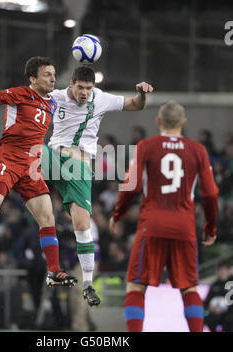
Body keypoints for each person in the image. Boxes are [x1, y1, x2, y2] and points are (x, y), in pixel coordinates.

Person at [41, 66, 153, 306]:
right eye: (80, 87)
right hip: (53, 156)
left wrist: (142, 94)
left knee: (81, 225)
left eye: (88, 88)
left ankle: (89, 285)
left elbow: (136, 104)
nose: (84, 93)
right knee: (24, 150)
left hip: (79, 165)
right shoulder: (56, 96)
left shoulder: (101, 99)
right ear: (71, 83)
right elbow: (26, 98)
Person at [0, 56, 76, 287]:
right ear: (33, 78)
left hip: (31, 166)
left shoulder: (52, 103)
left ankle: (54, 271)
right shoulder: (20, 93)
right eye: (47, 75)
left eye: (54, 74)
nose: (53, 78)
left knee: (47, 217)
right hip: (9, 157)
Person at [109, 101, 219, 332]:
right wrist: (210, 226)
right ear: (184, 123)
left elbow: (131, 186)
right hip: (185, 227)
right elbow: (210, 192)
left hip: (152, 225)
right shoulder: (198, 150)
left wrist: (118, 214)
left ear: (158, 121)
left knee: (136, 287)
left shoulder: (146, 146)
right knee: (189, 288)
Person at [204, 260, 233, 332]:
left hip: (230, 312)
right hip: (216, 312)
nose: (222, 273)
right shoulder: (214, 285)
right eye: (220, 271)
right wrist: (210, 308)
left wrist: (226, 307)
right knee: (207, 317)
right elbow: (207, 301)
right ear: (217, 271)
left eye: (224, 270)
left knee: (229, 319)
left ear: (228, 270)